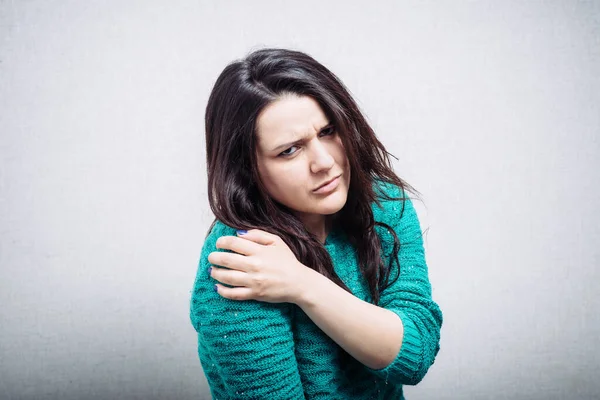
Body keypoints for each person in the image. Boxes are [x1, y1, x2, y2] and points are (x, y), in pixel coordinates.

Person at [189, 47, 443, 400]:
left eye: (328, 131)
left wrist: (304, 285)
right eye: (289, 150)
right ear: (248, 169)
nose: (324, 162)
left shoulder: (383, 205)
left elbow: (415, 356)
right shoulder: (241, 260)